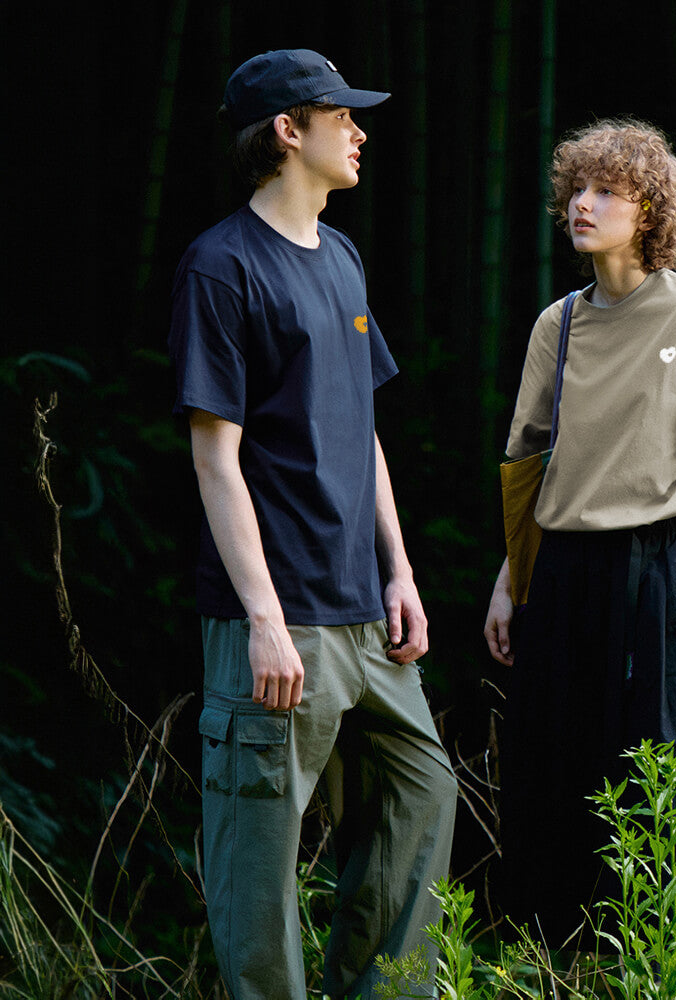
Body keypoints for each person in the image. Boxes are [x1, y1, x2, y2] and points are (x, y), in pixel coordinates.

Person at [168, 48, 457, 1000]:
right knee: (258, 864)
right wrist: (260, 617)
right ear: (289, 132)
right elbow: (216, 457)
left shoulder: (342, 258)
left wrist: (400, 572)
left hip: (365, 615)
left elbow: (362, 431)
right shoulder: (219, 267)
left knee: (424, 792)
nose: (360, 131)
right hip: (278, 619)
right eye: (343, 116)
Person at [484, 119, 676, 955]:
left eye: (607, 192)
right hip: (561, 571)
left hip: (663, 564)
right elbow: (529, 464)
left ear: (649, 208)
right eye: (577, 190)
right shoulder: (560, 324)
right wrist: (509, 582)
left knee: (671, 778)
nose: (583, 205)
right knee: (556, 777)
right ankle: (555, 965)